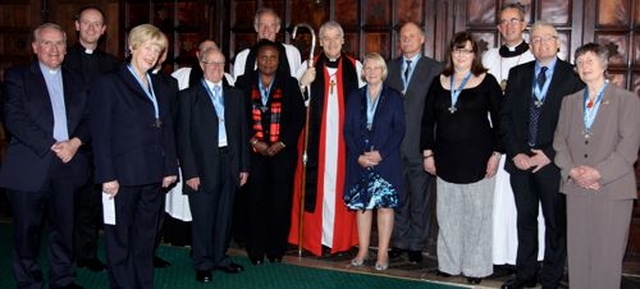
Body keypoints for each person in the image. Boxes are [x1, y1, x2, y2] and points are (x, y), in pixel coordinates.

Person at [0, 22, 88, 289]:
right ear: (35, 47)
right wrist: (52, 145)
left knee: (64, 228)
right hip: (30, 165)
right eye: (47, 43)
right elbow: (14, 118)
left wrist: (75, 142)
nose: (54, 49)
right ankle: (28, 281)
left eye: (59, 43)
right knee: (27, 231)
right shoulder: (17, 77)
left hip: (68, 164)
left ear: (66, 47)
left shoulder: (77, 79)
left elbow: (89, 117)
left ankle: (63, 279)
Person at [90, 24, 178, 289]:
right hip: (121, 178)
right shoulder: (109, 82)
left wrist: (169, 166)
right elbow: (100, 133)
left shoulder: (159, 85)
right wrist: (107, 176)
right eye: (147, 47)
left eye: (157, 50)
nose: (152, 55)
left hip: (152, 176)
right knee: (119, 242)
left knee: (145, 241)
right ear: (132, 46)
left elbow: (167, 128)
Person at [500, 21, 584, 289]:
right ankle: (525, 275)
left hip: (553, 164)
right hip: (521, 162)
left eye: (547, 38)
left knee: (555, 224)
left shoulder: (573, 77)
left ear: (558, 43)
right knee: (524, 220)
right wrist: (516, 154)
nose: (541, 43)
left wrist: (548, 154)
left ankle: (551, 279)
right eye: (535, 39)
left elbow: (577, 124)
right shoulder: (518, 73)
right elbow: (506, 118)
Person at [553, 43, 640, 289]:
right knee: (579, 253)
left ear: (604, 65)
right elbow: (559, 141)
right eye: (580, 63)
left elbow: (629, 145)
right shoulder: (569, 102)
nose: (584, 67)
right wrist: (571, 170)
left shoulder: (627, 100)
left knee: (607, 254)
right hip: (576, 187)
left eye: (590, 61)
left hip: (612, 188)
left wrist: (598, 173)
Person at [420, 31, 503, 285]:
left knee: (477, 217)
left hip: (479, 159)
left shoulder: (487, 81)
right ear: (451, 53)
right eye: (457, 50)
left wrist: (496, 155)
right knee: (447, 215)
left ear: (474, 54)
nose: (461, 55)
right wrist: (427, 153)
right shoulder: (439, 82)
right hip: (445, 159)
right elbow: (426, 121)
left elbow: (501, 122)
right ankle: (449, 264)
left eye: (466, 50)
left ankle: (476, 268)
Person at [288, 20, 364, 256]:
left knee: (341, 187)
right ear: (320, 42)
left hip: (344, 142)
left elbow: (365, 103)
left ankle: (341, 242)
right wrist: (303, 84)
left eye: (336, 37)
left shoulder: (356, 67)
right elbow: (295, 104)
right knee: (314, 188)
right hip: (315, 140)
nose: (331, 43)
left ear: (343, 40)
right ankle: (313, 240)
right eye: (326, 38)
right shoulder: (308, 66)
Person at [177, 47, 250, 283]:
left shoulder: (235, 95)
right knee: (203, 216)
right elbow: (183, 139)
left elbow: (242, 133)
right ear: (202, 65)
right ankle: (203, 262)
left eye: (221, 64)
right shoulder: (188, 97)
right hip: (201, 166)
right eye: (212, 63)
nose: (217, 68)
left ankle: (220, 258)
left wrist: (244, 166)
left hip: (230, 162)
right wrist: (189, 172)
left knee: (225, 214)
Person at [481, 2, 543, 270]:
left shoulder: (534, 58)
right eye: (504, 22)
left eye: (514, 21)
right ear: (498, 28)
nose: (509, 26)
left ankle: (526, 260)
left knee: (525, 208)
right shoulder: (488, 59)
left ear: (524, 24)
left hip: (522, 145)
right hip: (492, 141)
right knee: (495, 205)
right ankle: (496, 258)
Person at [235, 39, 305, 265]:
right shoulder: (243, 82)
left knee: (280, 202)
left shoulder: (290, 83)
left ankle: (276, 250)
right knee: (255, 202)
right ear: (257, 59)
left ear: (279, 60)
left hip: (282, 155)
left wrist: (282, 143)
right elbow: (238, 119)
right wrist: (254, 141)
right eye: (263, 57)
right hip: (253, 154)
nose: (268, 62)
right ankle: (255, 250)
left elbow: (298, 118)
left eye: (273, 57)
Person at [63, 5, 120, 273]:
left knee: (92, 204)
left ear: (104, 30)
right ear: (76, 25)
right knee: (65, 204)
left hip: (100, 145)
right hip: (69, 143)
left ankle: (86, 253)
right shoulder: (61, 59)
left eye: (97, 24)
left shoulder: (111, 64)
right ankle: (64, 255)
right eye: (86, 23)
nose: (91, 28)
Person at [384, 21, 442, 263]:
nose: (406, 40)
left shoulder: (436, 69)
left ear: (422, 39)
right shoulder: (388, 67)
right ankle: (399, 240)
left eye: (411, 36)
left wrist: (433, 148)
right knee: (398, 196)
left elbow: (438, 111)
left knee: (420, 197)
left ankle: (417, 244)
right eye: (403, 37)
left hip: (421, 145)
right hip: (393, 145)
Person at [344, 52, 404, 271]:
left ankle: (382, 254)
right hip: (359, 160)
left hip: (385, 161)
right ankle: (362, 250)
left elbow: (399, 131)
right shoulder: (354, 96)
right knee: (363, 207)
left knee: (385, 207)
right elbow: (348, 130)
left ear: (383, 71)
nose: (371, 72)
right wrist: (359, 155)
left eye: (376, 68)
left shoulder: (394, 97)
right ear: (363, 72)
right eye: (367, 68)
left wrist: (381, 154)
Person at [233, 7, 302, 79]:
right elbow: (237, 89)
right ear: (256, 27)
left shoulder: (291, 53)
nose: (266, 30)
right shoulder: (242, 58)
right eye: (262, 25)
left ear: (277, 28)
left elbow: (298, 85)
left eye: (271, 25)